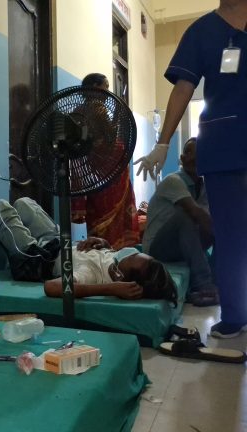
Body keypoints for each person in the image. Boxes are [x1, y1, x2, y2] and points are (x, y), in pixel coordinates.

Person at [134, 0, 246, 338]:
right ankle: (235, 314)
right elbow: (183, 87)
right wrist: (163, 143)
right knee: (230, 237)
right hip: (224, 149)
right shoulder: (202, 32)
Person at [0, 198, 177, 304]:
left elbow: (51, 287)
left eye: (129, 257)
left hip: (38, 259)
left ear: (120, 277)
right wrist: (103, 243)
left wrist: (111, 289)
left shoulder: (92, 275)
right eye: (132, 252)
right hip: (58, 242)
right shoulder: (120, 261)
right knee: (23, 203)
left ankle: (15, 245)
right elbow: (114, 253)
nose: (126, 252)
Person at [143, 138, 218, 307]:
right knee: (187, 215)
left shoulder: (205, 186)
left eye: (198, 153)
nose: (193, 157)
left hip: (181, 245)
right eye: (188, 152)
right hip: (158, 248)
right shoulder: (173, 180)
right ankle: (203, 284)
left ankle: (219, 280)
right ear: (182, 159)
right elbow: (195, 213)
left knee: (222, 224)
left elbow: (210, 219)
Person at [70, 73, 140, 249]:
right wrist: (117, 115)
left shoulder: (76, 111)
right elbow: (110, 137)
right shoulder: (98, 108)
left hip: (91, 169)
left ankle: (97, 246)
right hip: (109, 167)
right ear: (95, 87)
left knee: (96, 205)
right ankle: (116, 248)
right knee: (112, 208)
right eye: (105, 86)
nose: (108, 91)